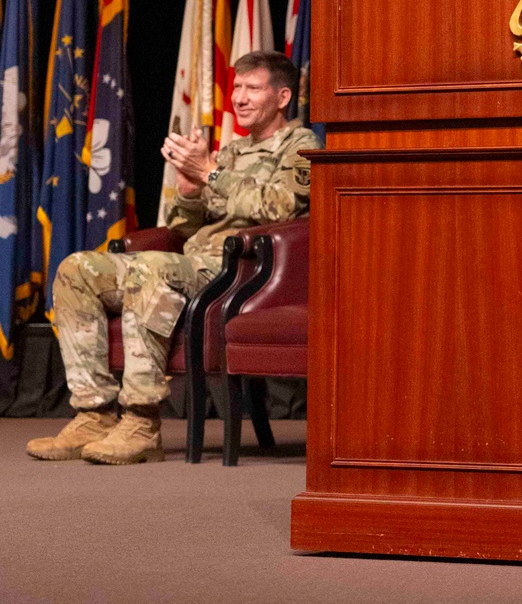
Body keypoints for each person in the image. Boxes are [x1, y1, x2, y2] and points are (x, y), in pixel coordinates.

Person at [27, 51, 319, 465]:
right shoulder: (232, 152)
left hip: (238, 271)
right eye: (236, 87)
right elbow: (183, 228)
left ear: (282, 96)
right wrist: (188, 189)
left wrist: (211, 174)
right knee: (78, 269)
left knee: (151, 268)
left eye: (252, 88)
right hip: (192, 262)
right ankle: (93, 412)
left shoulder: (301, 144)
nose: (239, 97)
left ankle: (142, 421)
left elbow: (281, 206)